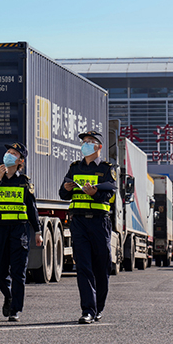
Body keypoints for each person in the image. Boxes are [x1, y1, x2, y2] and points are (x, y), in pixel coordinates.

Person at [59, 130, 116, 324]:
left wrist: (95, 193)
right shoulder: (74, 168)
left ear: (99, 147)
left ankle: (98, 307)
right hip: (79, 223)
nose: (86, 144)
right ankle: (88, 310)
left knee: (102, 266)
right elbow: (63, 194)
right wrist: (66, 189)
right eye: (84, 141)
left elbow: (111, 194)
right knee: (83, 267)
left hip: (100, 222)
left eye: (90, 141)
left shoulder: (107, 168)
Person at [0, 142, 42, 322]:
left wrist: (38, 231)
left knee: (18, 272)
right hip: (0, 231)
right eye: (8, 152)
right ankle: (8, 295)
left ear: (20, 161)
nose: (8, 155)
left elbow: (32, 208)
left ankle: (15, 309)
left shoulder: (24, 182)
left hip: (19, 232)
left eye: (13, 153)